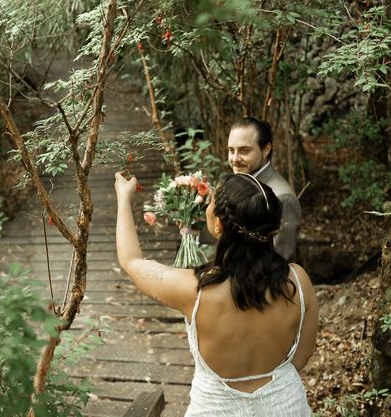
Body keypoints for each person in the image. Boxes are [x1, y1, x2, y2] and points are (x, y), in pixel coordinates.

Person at [115, 171, 318, 416]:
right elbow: (304, 353)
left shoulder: (194, 289)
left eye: (210, 202)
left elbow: (131, 260)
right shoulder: (298, 280)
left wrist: (124, 198)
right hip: (286, 406)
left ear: (218, 224)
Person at [227, 117, 302, 260]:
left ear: (266, 149)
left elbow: (282, 260)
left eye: (244, 150)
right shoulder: (238, 181)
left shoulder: (283, 197)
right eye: (231, 150)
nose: (235, 158)